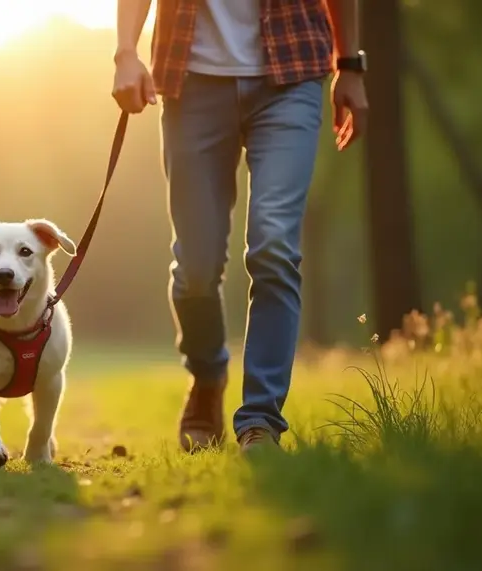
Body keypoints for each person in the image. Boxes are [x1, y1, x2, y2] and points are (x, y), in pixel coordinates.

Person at [112, 0, 368, 452]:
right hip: (190, 78)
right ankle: (208, 376)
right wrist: (126, 53)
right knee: (196, 266)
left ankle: (260, 420)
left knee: (274, 245)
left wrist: (349, 64)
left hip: (291, 73)